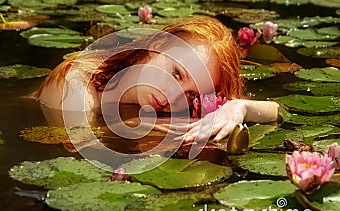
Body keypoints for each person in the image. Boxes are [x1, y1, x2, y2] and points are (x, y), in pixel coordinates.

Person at [32, 16, 280, 143]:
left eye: (191, 95)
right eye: (176, 74)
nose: (171, 97)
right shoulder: (76, 83)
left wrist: (240, 106)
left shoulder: (165, 110)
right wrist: (135, 126)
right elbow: (75, 138)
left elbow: (277, 112)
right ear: (158, 45)